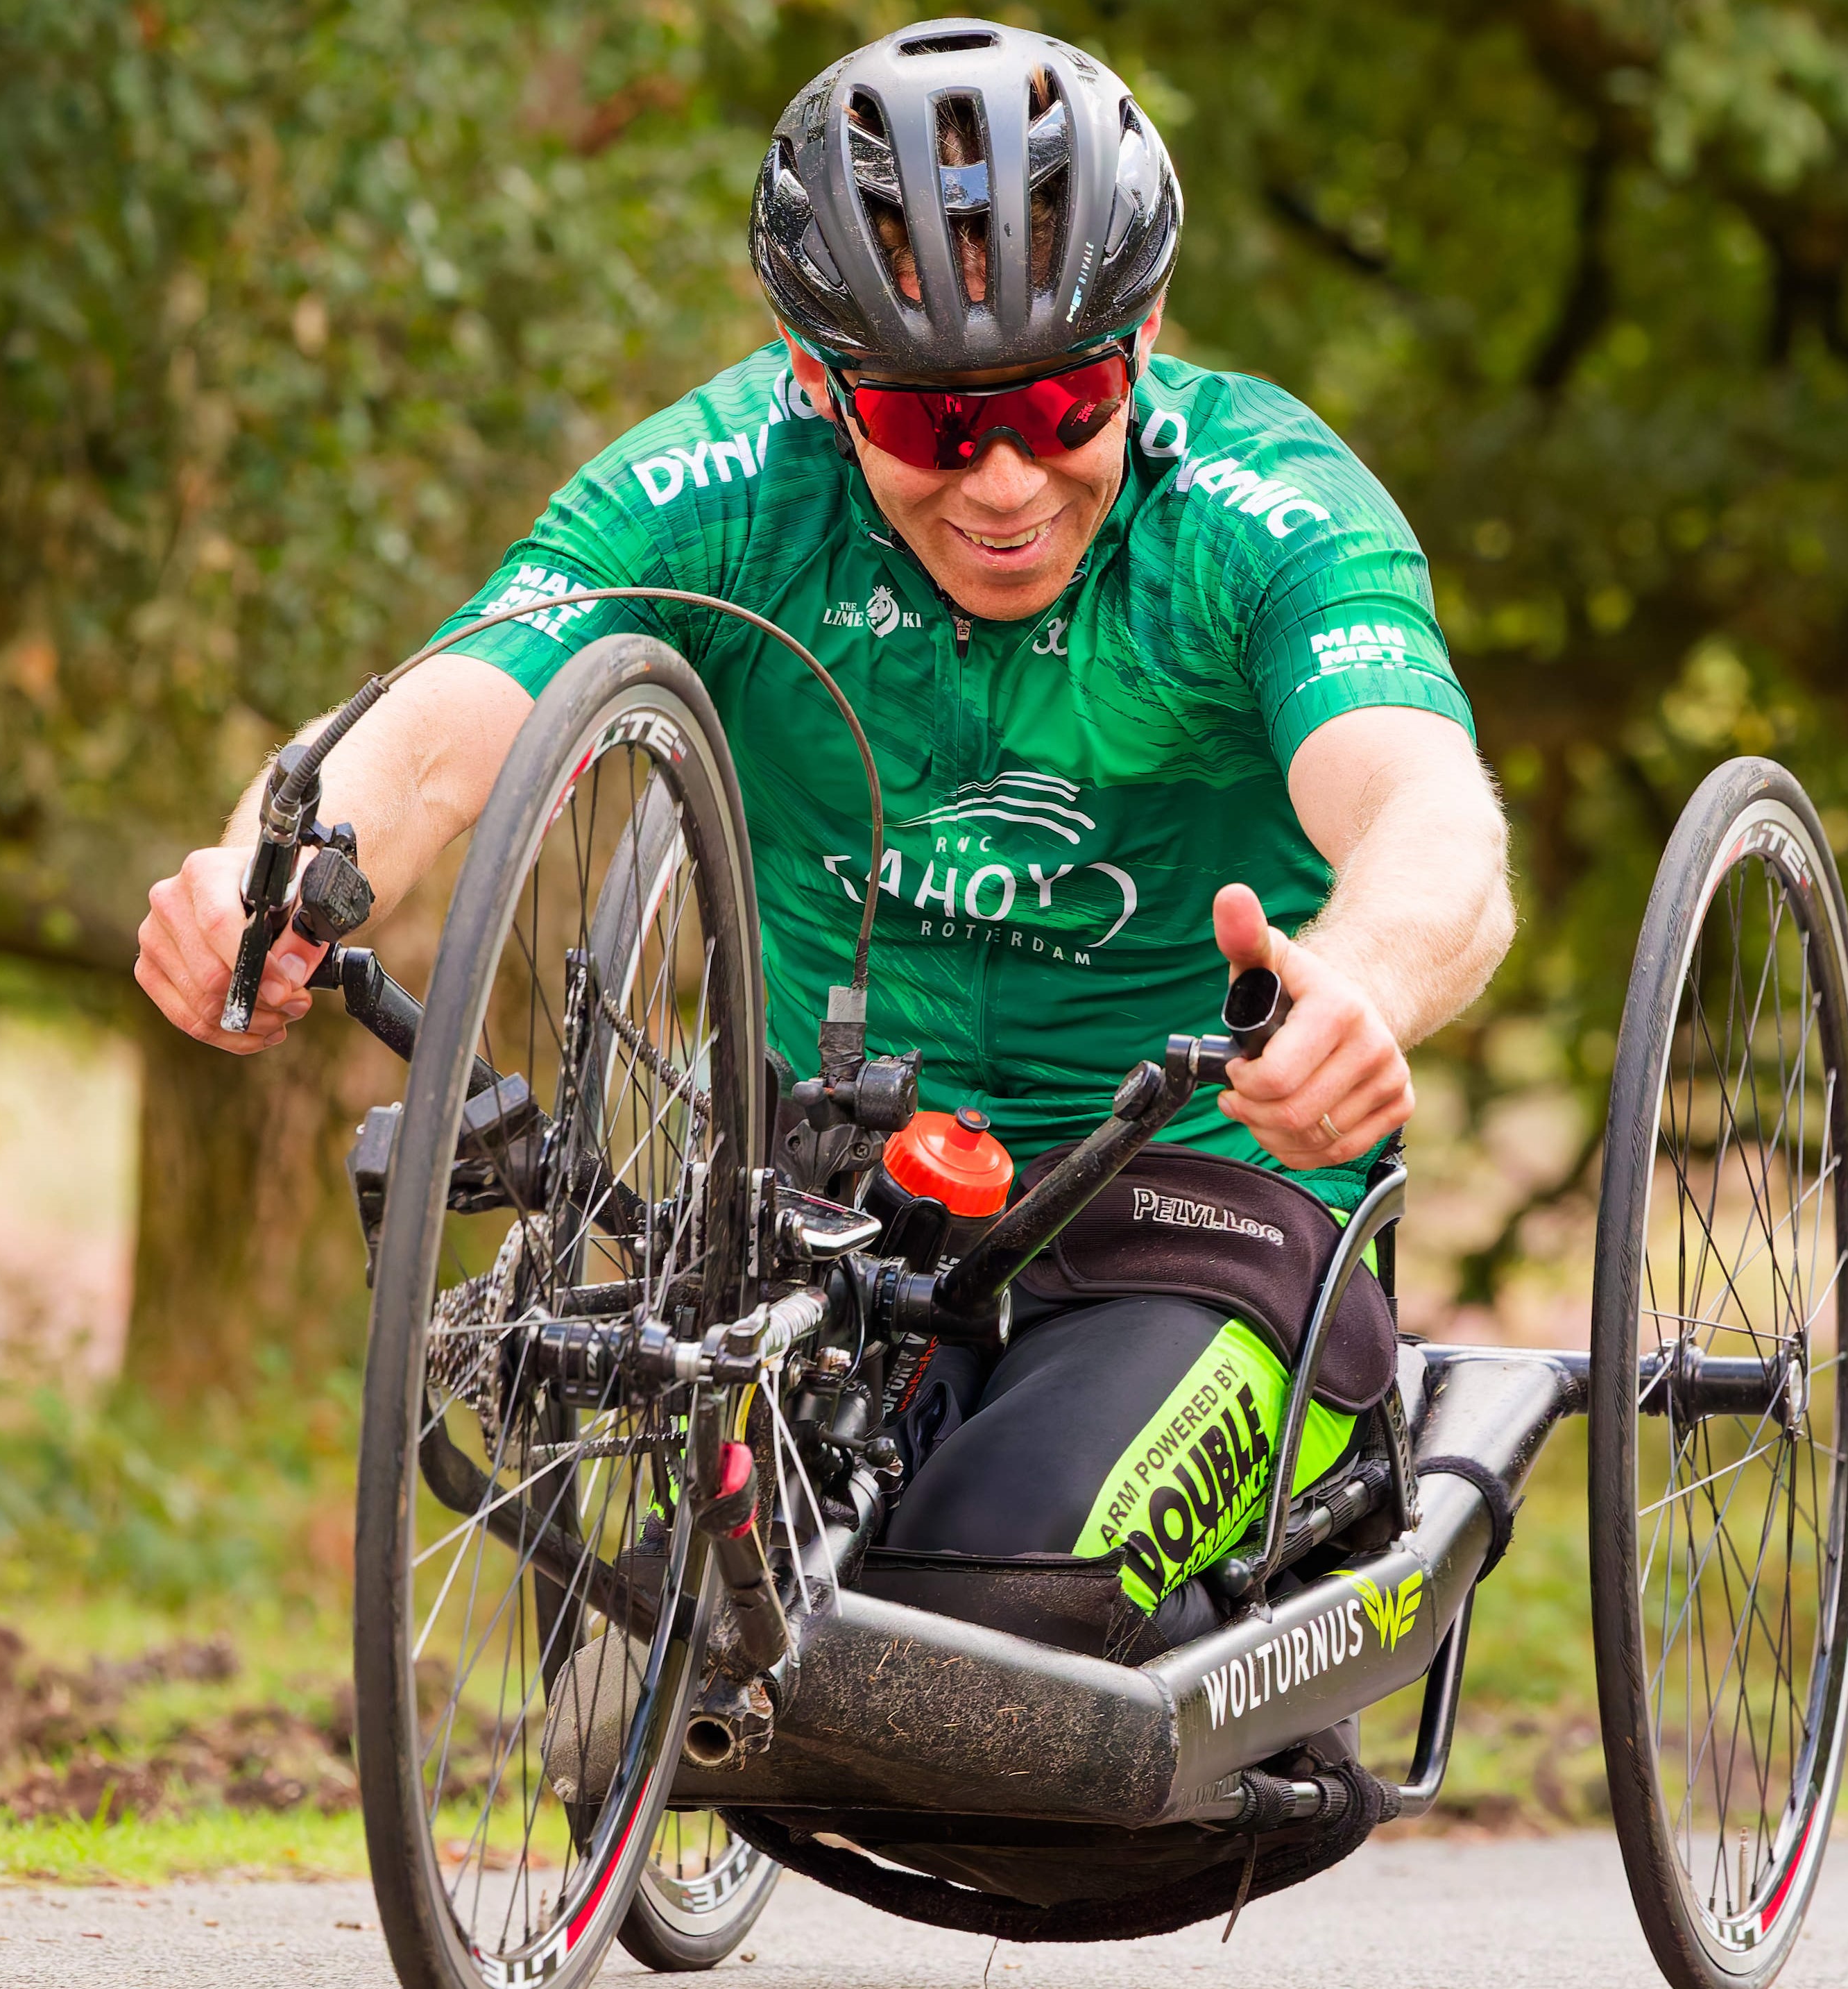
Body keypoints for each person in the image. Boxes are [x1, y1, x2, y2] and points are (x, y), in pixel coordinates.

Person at [131, 23, 1510, 1662]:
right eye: (933, 429)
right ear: (818, 381)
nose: (1000, 483)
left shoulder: (1262, 509)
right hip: (834, 1207)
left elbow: (1427, 809)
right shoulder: (722, 488)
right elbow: (442, 726)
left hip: (1198, 1189)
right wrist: (263, 876)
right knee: (755, 1600)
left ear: (1142, 342)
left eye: (1059, 402)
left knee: (1000, 1604)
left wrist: (1355, 983)